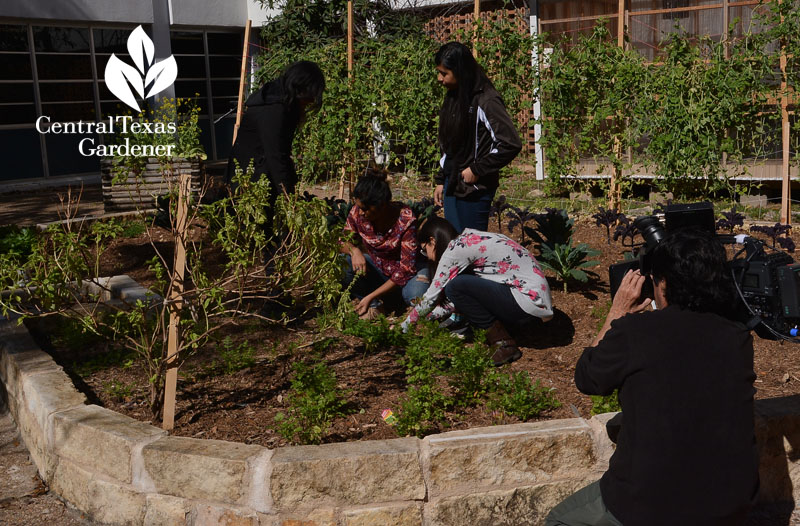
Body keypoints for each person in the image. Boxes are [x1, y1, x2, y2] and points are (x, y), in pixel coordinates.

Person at [546, 229, 758, 526]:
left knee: (558, 520)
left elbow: (588, 378)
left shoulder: (636, 332)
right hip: (731, 503)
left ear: (664, 283)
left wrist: (617, 312)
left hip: (649, 507)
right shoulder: (737, 337)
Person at [400, 217, 553, 366]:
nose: (427, 257)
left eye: (424, 250)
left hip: (526, 301)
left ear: (432, 241)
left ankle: (504, 345)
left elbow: (430, 298)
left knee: (456, 286)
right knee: (459, 286)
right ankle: (507, 331)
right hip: (533, 299)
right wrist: (428, 318)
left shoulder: (454, 251)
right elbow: (456, 302)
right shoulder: (468, 239)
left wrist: (403, 328)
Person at [433, 41, 522, 233]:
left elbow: (510, 143)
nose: (439, 79)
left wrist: (477, 169)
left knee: (472, 247)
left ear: (460, 71)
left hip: (474, 188)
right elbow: (448, 144)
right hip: (452, 183)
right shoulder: (453, 96)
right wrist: (441, 180)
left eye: (444, 73)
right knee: (455, 244)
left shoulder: (486, 100)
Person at [226, 60, 325, 225]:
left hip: (259, 173)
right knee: (263, 234)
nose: (311, 101)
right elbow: (276, 155)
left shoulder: (281, 101)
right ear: (300, 88)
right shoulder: (274, 109)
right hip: (252, 179)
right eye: (310, 95)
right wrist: (288, 198)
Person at [342, 171, 430, 320]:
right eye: (359, 207)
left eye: (365, 209)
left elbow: (405, 270)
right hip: (379, 269)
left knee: (416, 296)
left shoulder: (405, 219)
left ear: (381, 205)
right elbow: (342, 241)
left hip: (408, 275)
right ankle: (375, 304)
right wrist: (354, 250)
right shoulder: (357, 213)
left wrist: (372, 295)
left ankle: (389, 301)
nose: (361, 213)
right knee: (342, 263)